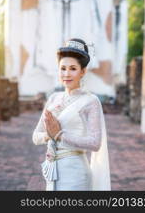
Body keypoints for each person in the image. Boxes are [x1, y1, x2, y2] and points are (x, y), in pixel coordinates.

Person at [32, 38, 111, 190]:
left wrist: (60, 135)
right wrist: (49, 135)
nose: (66, 74)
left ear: (83, 71)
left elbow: (95, 143)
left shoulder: (90, 101)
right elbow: (36, 136)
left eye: (73, 69)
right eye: (63, 68)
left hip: (76, 172)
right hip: (52, 170)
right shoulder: (53, 98)